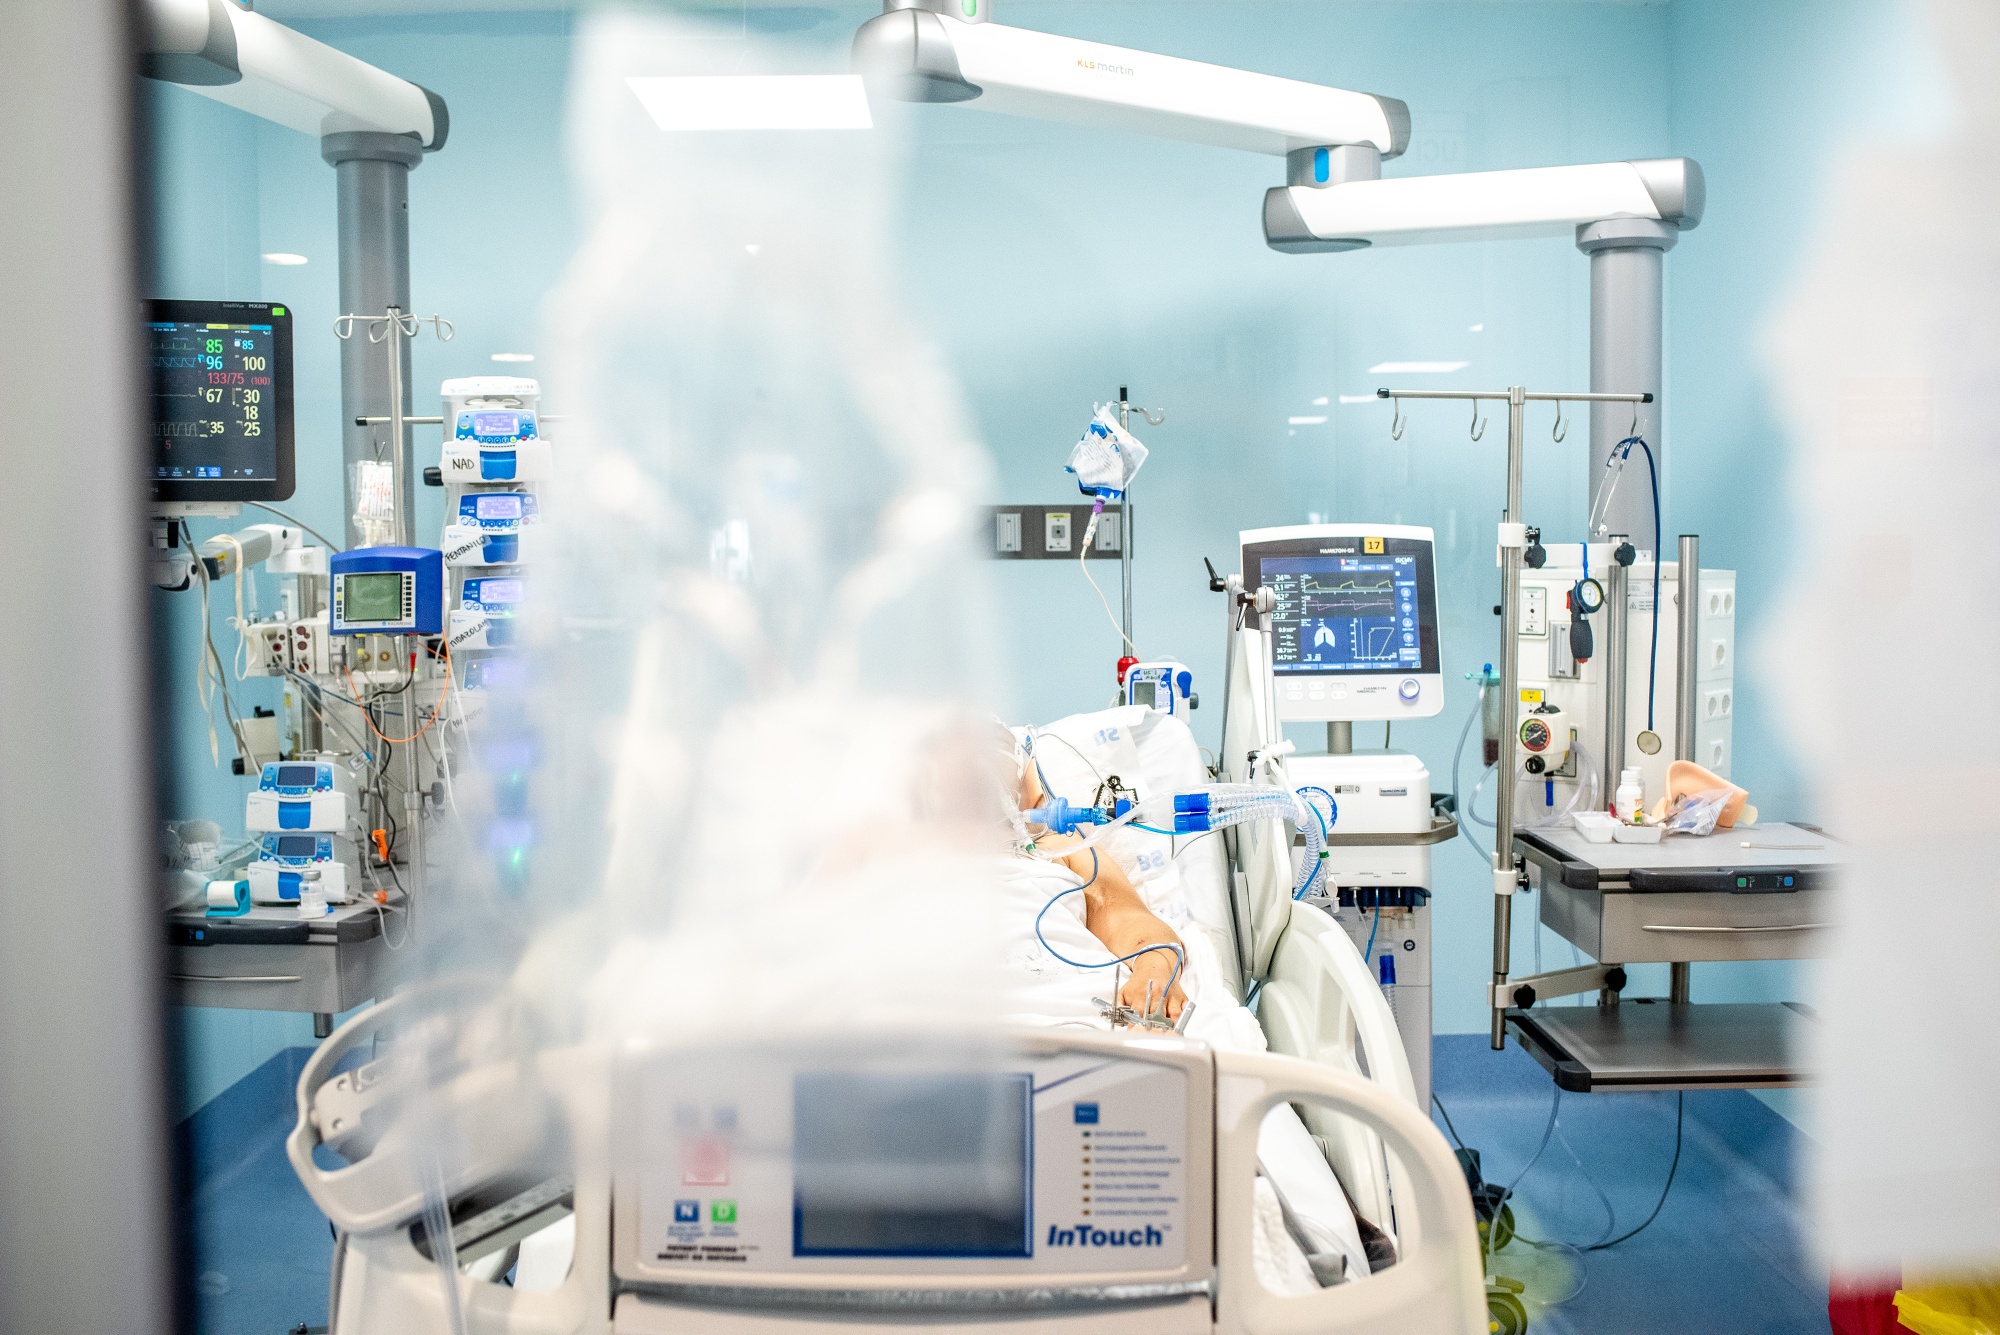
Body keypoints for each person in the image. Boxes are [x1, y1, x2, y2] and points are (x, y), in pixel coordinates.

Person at [1014, 746, 1189, 1025]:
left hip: (1072, 1015)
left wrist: (1154, 972)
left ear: (1031, 792)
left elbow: (1128, 921)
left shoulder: (1058, 847)